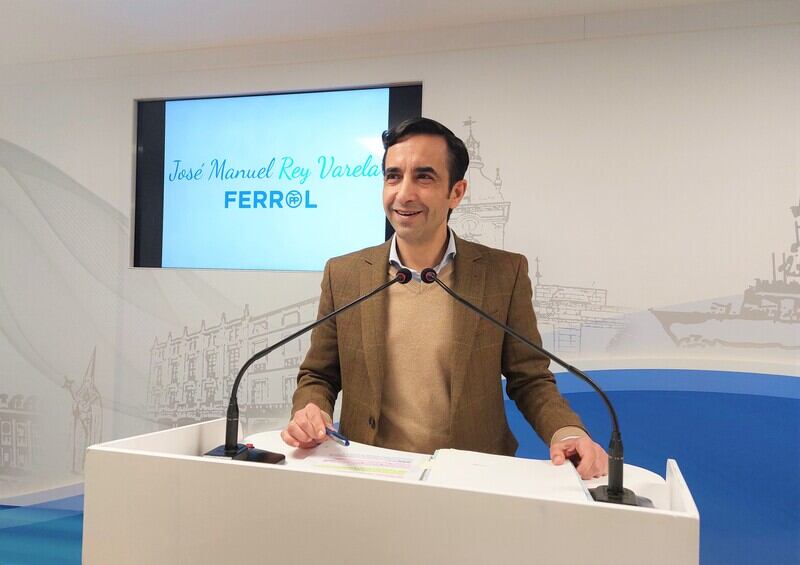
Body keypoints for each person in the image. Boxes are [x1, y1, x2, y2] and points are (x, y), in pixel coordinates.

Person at [282, 117, 608, 479]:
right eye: (393, 176)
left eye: (424, 177)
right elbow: (319, 375)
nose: (403, 194)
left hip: (470, 477)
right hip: (371, 473)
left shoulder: (504, 274)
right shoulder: (344, 275)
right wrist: (312, 409)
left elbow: (529, 378)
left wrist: (566, 431)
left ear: (456, 192)